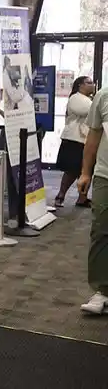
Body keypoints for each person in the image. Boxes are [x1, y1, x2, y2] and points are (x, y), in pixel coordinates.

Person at [77, 85, 108, 315]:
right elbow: (93, 137)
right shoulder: (103, 96)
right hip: (105, 175)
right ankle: (102, 290)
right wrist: (86, 172)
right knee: (100, 230)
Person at [55, 76, 95, 207]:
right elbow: (90, 111)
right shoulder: (75, 98)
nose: (92, 85)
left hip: (86, 140)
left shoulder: (89, 99)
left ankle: (82, 198)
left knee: (86, 170)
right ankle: (61, 195)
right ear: (80, 86)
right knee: (72, 170)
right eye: (88, 83)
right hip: (75, 139)